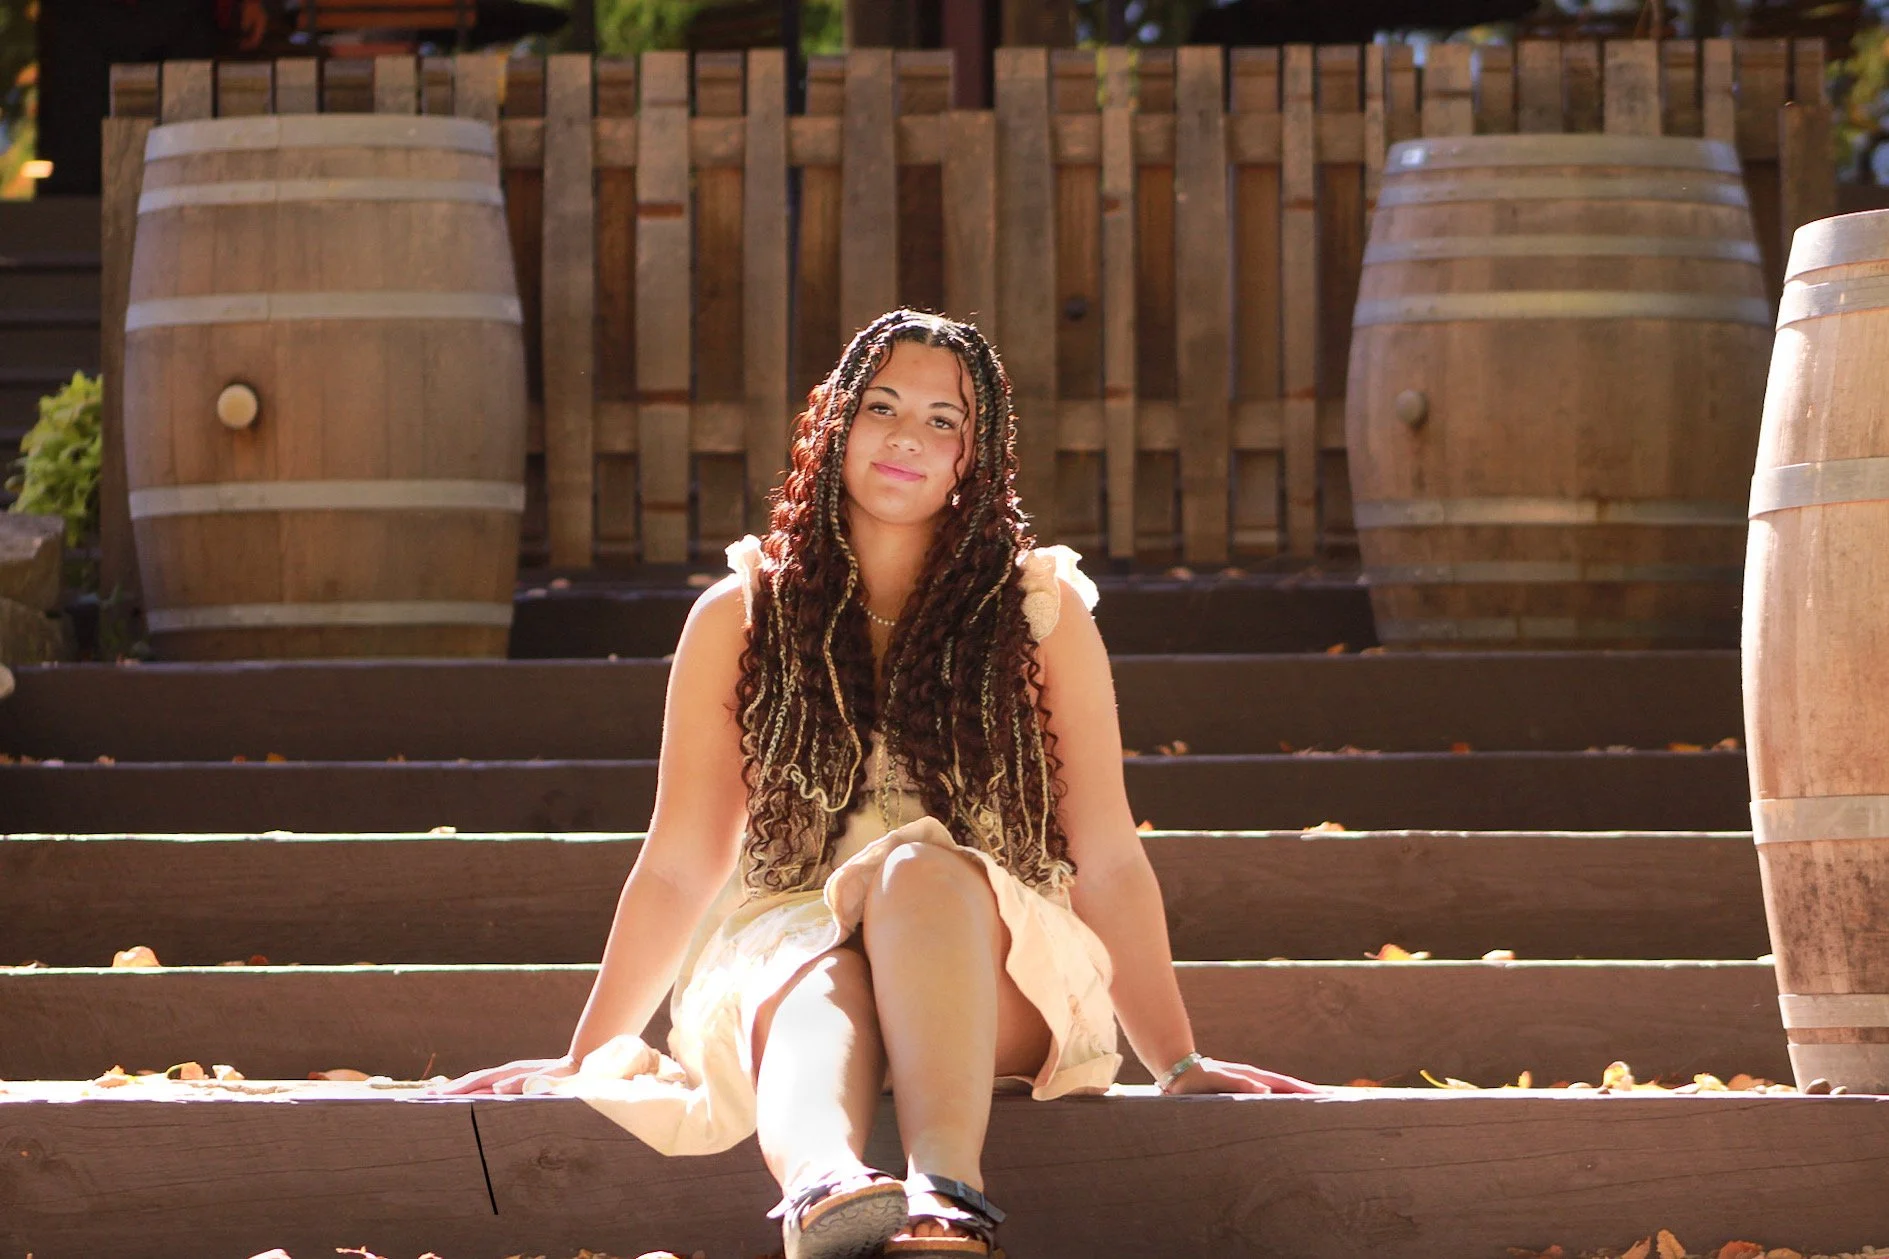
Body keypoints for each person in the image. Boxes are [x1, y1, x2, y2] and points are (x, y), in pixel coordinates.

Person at [438, 309, 1320, 1259]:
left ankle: (945, 1193)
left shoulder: (1039, 614)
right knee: (814, 959)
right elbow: (679, 863)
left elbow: (1104, 852)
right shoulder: (739, 618)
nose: (908, 436)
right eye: (881, 406)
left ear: (972, 461)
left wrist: (1177, 1060)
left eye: (944, 420)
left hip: (996, 973)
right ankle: (828, 1187)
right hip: (791, 968)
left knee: (915, 870)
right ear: (833, 426)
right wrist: (586, 1053)